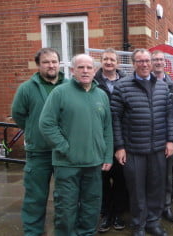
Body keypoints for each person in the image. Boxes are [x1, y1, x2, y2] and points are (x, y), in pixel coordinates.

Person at [39, 54, 113, 236]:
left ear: (95, 71)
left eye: (89, 67)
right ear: (72, 71)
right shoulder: (60, 93)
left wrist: (107, 155)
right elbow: (46, 124)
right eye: (81, 67)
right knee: (66, 210)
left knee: (91, 208)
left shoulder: (101, 95)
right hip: (67, 165)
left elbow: (107, 128)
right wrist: (64, 147)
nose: (85, 71)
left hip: (94, 164)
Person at [110, 48, 173, 236]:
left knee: (156, 188)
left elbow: (169, 116)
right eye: (140, 61)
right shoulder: (122, 86)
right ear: (133, 64)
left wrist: (171, 140)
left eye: (147, 60)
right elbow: (115, 119)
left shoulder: (163, 86)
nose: (145, 64)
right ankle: (138, 226)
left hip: (158, 149)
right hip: (133, 150)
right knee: (137, 190)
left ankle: (153, 223)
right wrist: (119, 146)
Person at [11, 48, 68, 236]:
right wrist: (33, 130)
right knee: (35, 197)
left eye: (54, 61)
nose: (51, 65)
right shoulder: (27, 88)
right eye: (46, 62)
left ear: (59, 63)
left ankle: (62, 230)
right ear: (38, 65)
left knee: (64, 197)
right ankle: (33, 231)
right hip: (38, 152)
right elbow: (18, 114)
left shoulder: (69, 86)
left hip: (63, 151)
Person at [94, 48, 128, 233]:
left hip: (122, 139)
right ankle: (106, 213)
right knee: (103, 179)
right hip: (100, 140)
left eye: (112, 59)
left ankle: (118, 214)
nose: (109, 62)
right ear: (101, 61)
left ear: (117, 62)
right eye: (105, 59)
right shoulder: (93, 81)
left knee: (121, 179)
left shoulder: (126, 82)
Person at [151, 50, 173, 223]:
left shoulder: (172, 85)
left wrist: (171, 138)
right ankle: (151, 209)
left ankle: (166, 207)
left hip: (165, 138)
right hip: (147, 138)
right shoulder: (145, 82)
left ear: (165, 63)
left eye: (161, 59)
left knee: (167, 176)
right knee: (150, 177)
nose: (158, 62)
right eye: (155, 59)